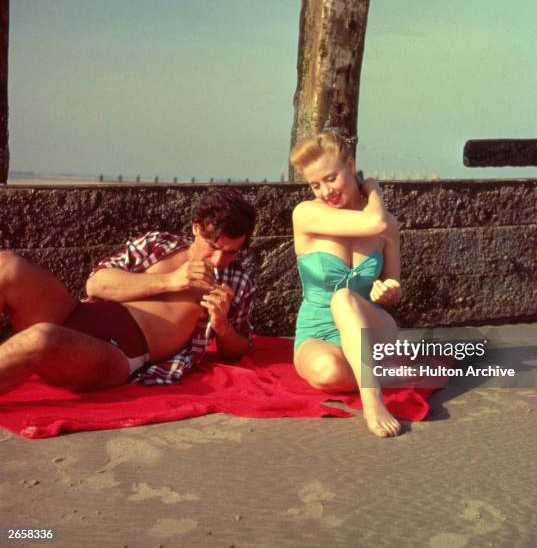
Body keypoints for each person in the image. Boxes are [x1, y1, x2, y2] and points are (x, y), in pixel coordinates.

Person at [0, 188, 256, 395]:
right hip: (77, 314)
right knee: (6, 265)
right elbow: (96, 284)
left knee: (40, 338)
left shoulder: (236, 280)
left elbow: (240, 348)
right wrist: (171, 281)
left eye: (232, 251)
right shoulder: (158, 244)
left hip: (117, 355)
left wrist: (222, 326)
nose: (219, 259)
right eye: (213, 246)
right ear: (196, 228)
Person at [290, 132, 403, 438]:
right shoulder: (307, 214)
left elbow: (395, 285)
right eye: (315, 185)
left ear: (350, 166)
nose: (325, 191)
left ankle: (372, 399)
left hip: (371, 325)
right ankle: (384, 375)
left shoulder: (387, 225)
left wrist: (388, 291)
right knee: (327, 372)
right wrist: (374, 190)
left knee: (344, 298)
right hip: (318, 333)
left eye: (331, 178)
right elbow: (374, 222)